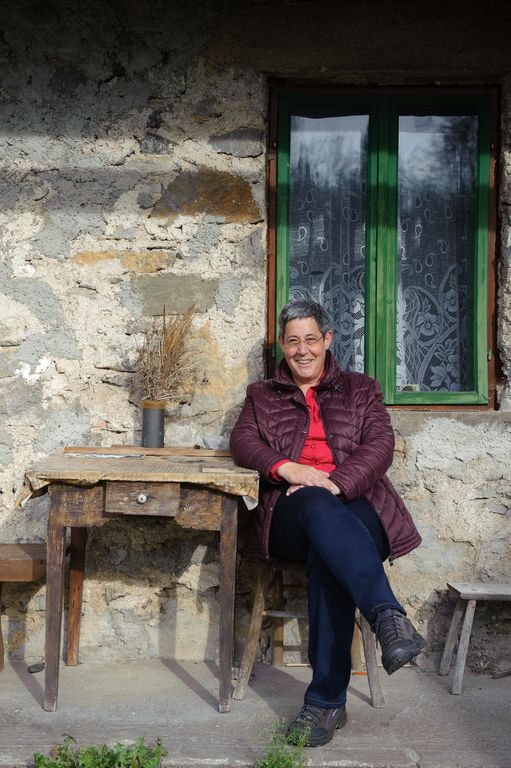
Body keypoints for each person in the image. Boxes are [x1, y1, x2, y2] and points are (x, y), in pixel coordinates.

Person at [230, 298, 425, 748]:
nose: (302, 350)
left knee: (330, 550)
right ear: (282, 346)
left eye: (311, 340)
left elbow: (380, 445)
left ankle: (325, 703)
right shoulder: (262, 395)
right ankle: (388, 616)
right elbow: (243, 442)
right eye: (292, 341)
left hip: (358, 505)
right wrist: (289, 469)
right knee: (316, 508)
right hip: (290, 515)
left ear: (328, 340)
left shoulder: (362, 389)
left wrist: (335, 483)